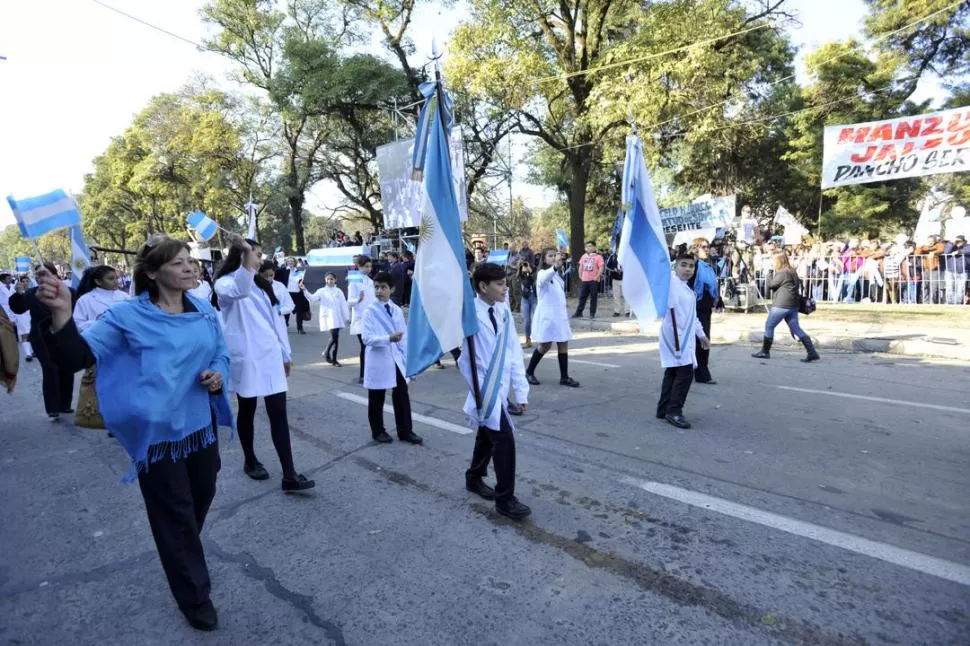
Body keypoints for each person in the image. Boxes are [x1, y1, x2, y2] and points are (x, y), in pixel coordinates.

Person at [39, 235, 233, 631]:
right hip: (155, 436)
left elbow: (220, 352)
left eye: (190, 260)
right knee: (175, 513)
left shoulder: (202, 308)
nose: (190, 267)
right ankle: (194, 596)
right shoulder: (126, 316)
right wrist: (62, 315)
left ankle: (179, 550)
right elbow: (76, 357)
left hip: (200, 426)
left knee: (199, 497)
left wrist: (218, 374)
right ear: (154, 273)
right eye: (178, 263)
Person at [214, 238, 315, 492]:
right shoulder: (225, 283)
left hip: (270, 356)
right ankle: (250, 460)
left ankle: (289, 475)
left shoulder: (264, 285)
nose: (260, 260)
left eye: (259, 255)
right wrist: (246, 261)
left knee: (279, 413)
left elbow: (276, 322)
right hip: (247, 358)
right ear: (242, 255)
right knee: (247, 409)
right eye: (256, 255)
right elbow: (240, 289)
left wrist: (285, 354)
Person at [461, 263, 531, 520]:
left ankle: (474, 477)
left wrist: (520, 391)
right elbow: (464, 359)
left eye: (505, 283)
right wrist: (479, 389)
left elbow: (513, 352)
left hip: (499, 387)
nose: (505, 289)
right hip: (483, 388)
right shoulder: (468, 314)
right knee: (503, 440)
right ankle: (505, 498)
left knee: (486, 434)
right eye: (500, 284)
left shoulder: (503, 311)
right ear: (482, 286)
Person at [9, 262, 77, 420]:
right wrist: (18, 295)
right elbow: (18, 308)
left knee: (66, 369)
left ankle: (65, 404)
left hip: (64, 336)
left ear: (54, 274)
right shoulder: (31, 294)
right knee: (50, 369)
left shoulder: (69, 292)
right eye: (38, 275)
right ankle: (52, 407)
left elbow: (77, 313)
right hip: (41, 339)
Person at [361, 271, 422, 445]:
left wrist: (409, 363)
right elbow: (366, 338)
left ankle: (405, 430)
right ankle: (378, 431)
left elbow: (404, 338)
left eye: (383, 287)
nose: (379, 291)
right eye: (376, 287)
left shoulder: (396, 310)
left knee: (401, 394)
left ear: (392, 289)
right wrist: (388, 338)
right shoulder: (369, 312)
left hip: (395, 358)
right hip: (379, 359)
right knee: (377, 395)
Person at [656, 252, 711, 429]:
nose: (688, 269)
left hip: (684, 336)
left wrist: (701, 335)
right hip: (674, 336)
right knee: (685, 373)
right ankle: (674, 411)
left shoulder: (688, 289)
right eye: (684, 265)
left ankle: (664, 408)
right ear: (676, 266)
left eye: (691, 266)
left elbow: (693, 317)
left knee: (673, 371)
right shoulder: (671, 283)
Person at [73, 265, 129, 430]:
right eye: (111, 279)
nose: (115, 282)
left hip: (123, 347)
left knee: (124, 384)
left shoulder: (124, 297)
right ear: (98, 281)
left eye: (116, 278)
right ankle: (107, 418)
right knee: (104, 385)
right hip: (98, 348)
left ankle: (123, 419)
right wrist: (98, 321)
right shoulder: (85, 300)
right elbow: (78, 323)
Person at [752, 251, 820, 363]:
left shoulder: (782, 273)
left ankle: (765, 351)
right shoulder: (792, 271)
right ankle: (812, 352)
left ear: (779, 261)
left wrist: (769, 273)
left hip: (781, 305)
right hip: (793, 305)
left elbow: (770, 285)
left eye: (774, 260)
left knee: (769, 326)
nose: (773, 262)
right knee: (796, 328)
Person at [525, 248, 580, 387]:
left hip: (559, 316)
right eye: (550, 256)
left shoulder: (556, 275)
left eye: (555, 255)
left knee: (563, 343)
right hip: (548, 317)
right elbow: (545, 277)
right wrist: (555, 266)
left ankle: (564, 377)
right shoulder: (542, 274)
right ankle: (529, 372)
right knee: (545, 346)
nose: (554, 258)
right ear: (544, 259)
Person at [688, 238, 719, 385]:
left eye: (708, 246)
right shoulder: (694, 264)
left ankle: (696, 371)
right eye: (704, 247)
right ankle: (701, 374)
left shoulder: (707, 266)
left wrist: (717, 298)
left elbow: (712, 285)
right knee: (701, 340)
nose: (707, 249)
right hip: (696, 306)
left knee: (702, 340)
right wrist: (693, 256)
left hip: (706, 307)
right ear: (696, 248)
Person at [303, 272, 349, 366]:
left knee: (335, 338)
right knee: (335, 337)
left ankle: (328, 355)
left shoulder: (338, 291)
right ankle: (331, 357)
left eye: (332, 279)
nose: (330, 281)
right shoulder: (322, 291)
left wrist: (346, 317)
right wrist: (305, 290)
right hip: (328, 317)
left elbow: (343, 304)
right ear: (325, 280)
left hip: (337, 317)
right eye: (328, 279)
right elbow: (312, 298)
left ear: (335, 280)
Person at [348, 255, 376, 385]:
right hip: (360, 319)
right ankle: (362, 375)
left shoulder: (371, 282)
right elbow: (349, 301)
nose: (369, 269)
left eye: (370, 266)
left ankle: (369, 373)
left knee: (370, 347)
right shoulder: (354, 281)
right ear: (359, 266)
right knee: (365, 346)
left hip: (371, 319)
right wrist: (358, 299)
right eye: (366, 266)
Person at [275, 257, 309, 334]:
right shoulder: (283, 270)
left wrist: (302, 284)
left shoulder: (299, 272)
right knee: (287, 310)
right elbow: (274, 275)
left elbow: (301, 281)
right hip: (288, 294)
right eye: (289, 261)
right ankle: (285, 325)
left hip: (298, 293)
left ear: (295, 262)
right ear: (286, 262)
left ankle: (300, 328)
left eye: (292, 261)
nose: (290, 262)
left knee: (299, 311)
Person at [573, 240, 604, 318]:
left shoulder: (598, 257)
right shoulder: (584, 256)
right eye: (587, 246)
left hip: (593, 280)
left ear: (594, 247)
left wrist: (597, 277)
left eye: (590, 246)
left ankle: (592, 313)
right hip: (585, 280)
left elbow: (601, 267)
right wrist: (580, 275)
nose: (588, 248)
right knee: (582, 297)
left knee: (593, 297)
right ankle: (579, 313)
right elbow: (581, 266)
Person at [14, 275, 34, 362]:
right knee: (25, 335)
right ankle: (28, 354)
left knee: (33, 334)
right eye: (23, 281)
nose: (25, 283)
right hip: (21, 316)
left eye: (27, 281)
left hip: (32, 315)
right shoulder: (15, 293)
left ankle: (33, 351)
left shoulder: (32, 291)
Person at [518, 260, 537, 348]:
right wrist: (523, 271)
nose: (525, 266)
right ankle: (528, 340)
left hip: (534, 298)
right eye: (523, 265)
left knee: (536, 318)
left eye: (526, 264)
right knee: (527, 320)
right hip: (525, 298)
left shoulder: (534, 271)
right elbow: (525, 283)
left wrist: (530, 270)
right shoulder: (521, 275)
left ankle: (543, 339)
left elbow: (534, 280)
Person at [605, 246, 628, 317]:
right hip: (615, 279)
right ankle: (617, 311)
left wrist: (625, 269)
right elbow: (607, 266)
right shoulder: (612, 256)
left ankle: (627, 311)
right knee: (616, 296)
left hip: (625, 279)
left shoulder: (627, 256)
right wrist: (613, 269)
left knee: (627, 296)